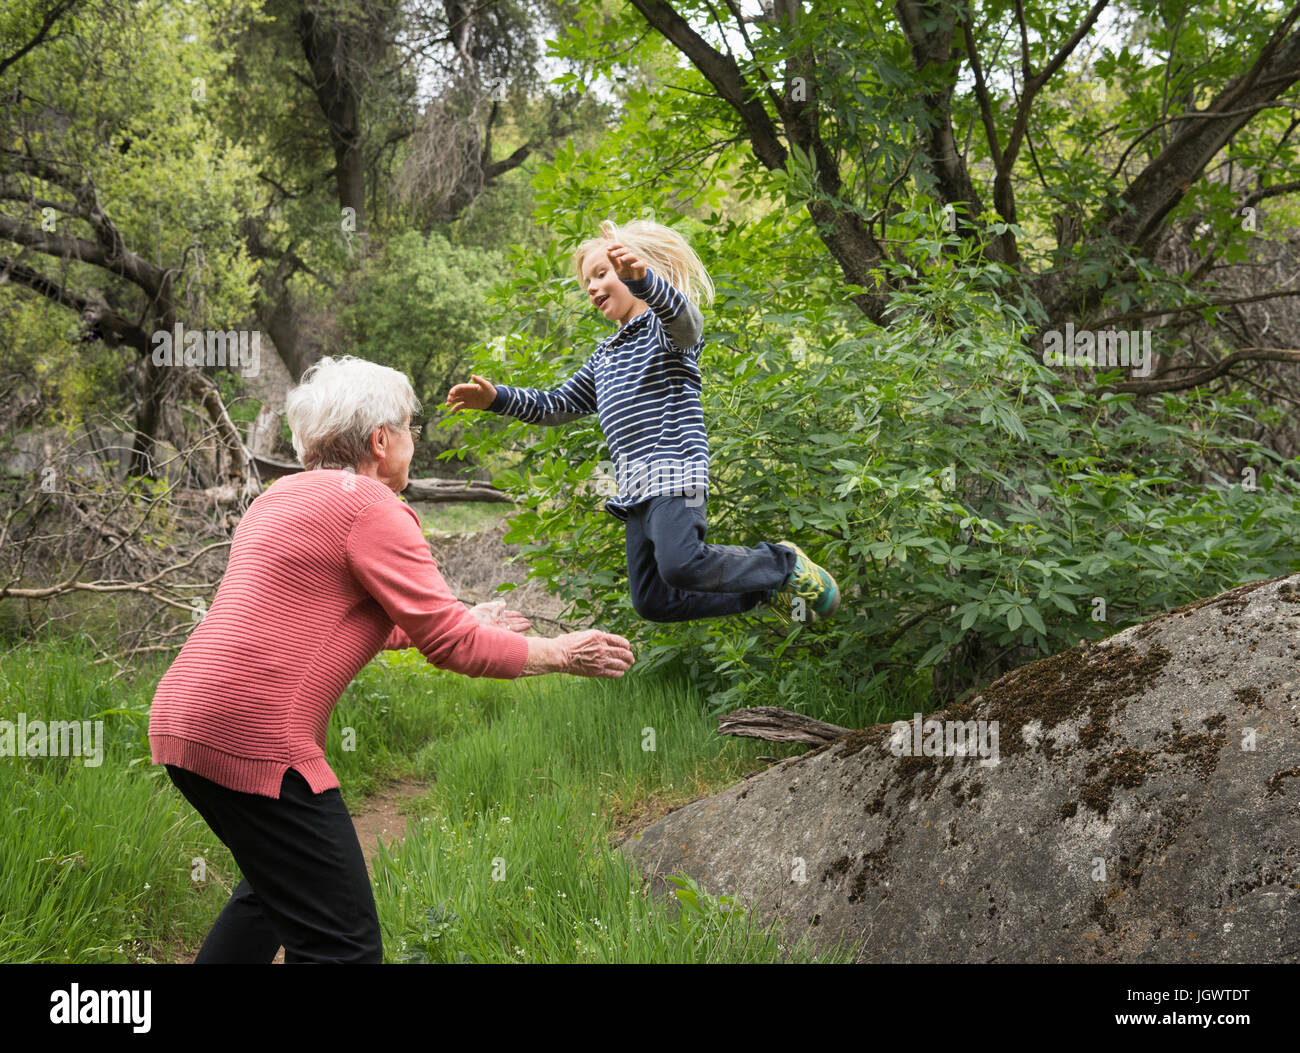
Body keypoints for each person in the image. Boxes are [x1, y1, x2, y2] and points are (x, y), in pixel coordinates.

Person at [148, 354, 633, 964]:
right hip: (257, 735)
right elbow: (451, 642)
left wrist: (464, 618)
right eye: (409, 426)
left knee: (272, 892)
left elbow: (328, 622)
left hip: (181, 721)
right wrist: (561, 651)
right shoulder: (371, 506)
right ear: (380, 440)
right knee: (343, 945)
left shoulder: (278, 498)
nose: (413, 440)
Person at [446, 218, 840, 625]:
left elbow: (688, 323)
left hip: (677, 474)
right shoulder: (605, 357)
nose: (594, 288)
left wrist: (645, 283)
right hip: (635, 491)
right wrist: (497, 399)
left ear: (637, 268)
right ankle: (764, 589)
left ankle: (783, 564)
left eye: (602, 274)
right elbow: (558, 404)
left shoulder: (663, 331)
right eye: (587, 284)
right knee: (653, 601)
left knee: (683, 564)